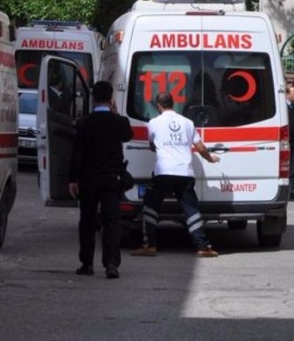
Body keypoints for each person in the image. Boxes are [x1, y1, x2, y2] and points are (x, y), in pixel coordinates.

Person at [131, 92, 221, 258]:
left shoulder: (154, 123)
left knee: (150, 207)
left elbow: (152, 144)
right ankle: (203, 247)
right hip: (184, 172)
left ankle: (149, 246)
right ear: (173, 104)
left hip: (163, 172)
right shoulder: (187, 122)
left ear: (158, 106)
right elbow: (200, 148)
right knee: (192, 211)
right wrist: (211, 159)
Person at [68, 81, 133, 279]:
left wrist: (72, 179)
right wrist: (116, 113)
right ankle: (111, 264)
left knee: (87, 221)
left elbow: (77, 153)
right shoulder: (119, 122)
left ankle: (87, 263)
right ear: (111, 98)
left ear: (93, 98)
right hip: (111, 179)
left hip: (88, 179)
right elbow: (127, 136)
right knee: (112, 222)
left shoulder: (84, 122)